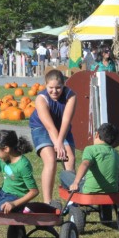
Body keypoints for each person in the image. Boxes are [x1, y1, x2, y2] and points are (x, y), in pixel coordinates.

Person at [30, 69, 77, 203]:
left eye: (58, 87)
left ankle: (71, 200)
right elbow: (49, 127)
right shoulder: (41, 99)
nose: (54, 91)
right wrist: (57, 144)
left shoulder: (71, 96)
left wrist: (60, 142)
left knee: (69, 158)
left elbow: (66, 121)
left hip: (62, 128)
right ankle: (48, 202)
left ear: (64, 85)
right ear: (45, 85)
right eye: (51, 88)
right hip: (42, 128)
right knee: (51, 160)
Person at [60, 123, 119, 194]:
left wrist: (76, 182)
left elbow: (85, 164)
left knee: (64, 174)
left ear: (97, 134)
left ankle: (72, 199)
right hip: (112, 191)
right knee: (118, 175)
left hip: (90, 190)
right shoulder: (115, 153)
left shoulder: (90, 149)